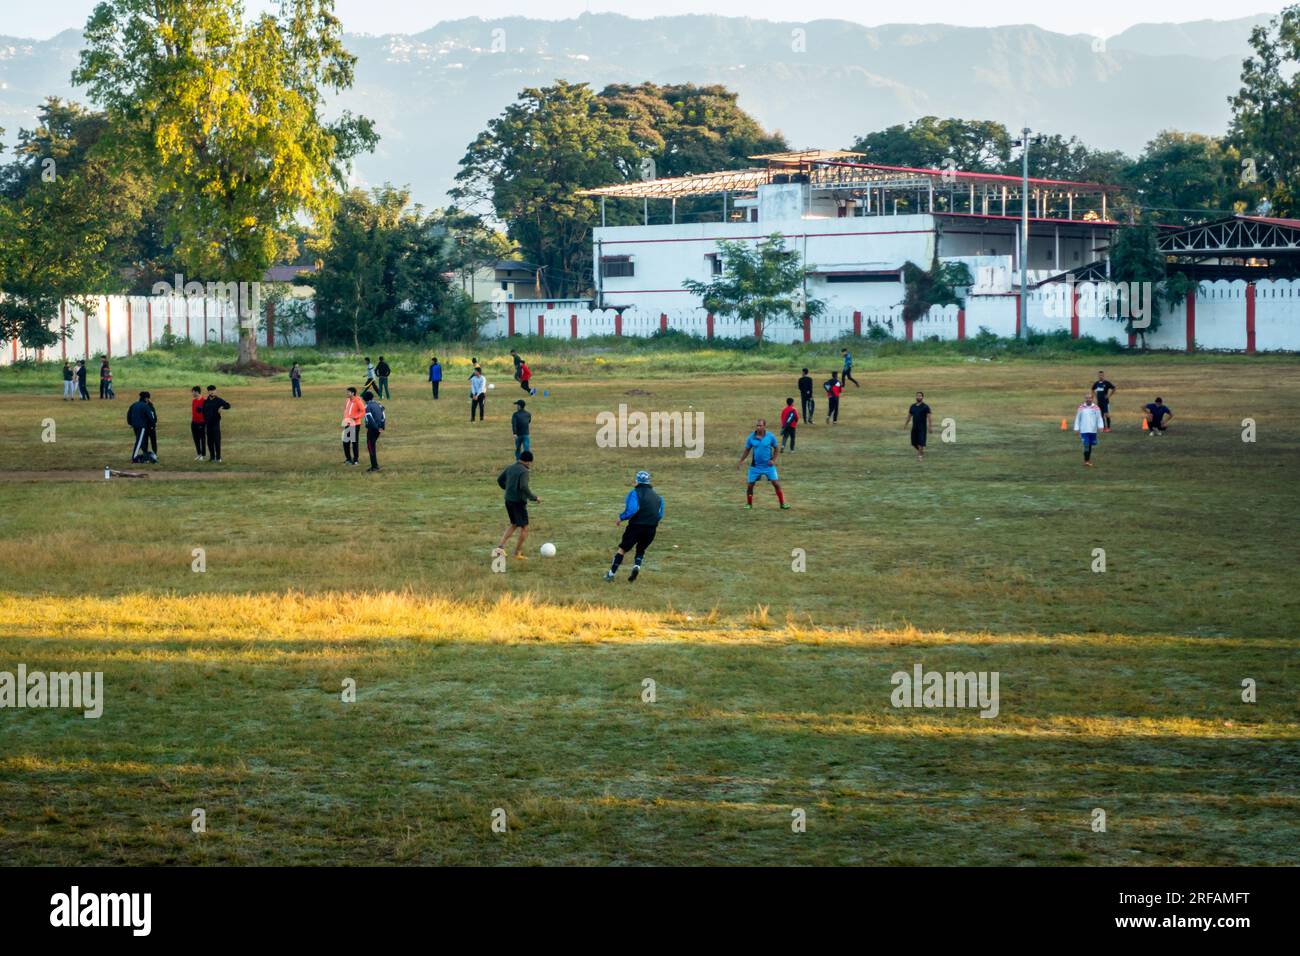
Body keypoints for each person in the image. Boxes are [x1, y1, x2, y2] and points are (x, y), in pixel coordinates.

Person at [605, 470, 663, 583]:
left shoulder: (634, 493)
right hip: (651, 529)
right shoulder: (658, 497)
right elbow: (660, 514)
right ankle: (636, 566)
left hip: (636, 527)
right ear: (649, 481)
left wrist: (621, 518)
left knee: (622, 549)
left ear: (637, 481)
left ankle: (610, 574)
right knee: (641, 549)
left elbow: (632, 509)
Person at [495, 450, 539, 560]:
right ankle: (517, 553)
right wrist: (534, 498)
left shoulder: (511, 467)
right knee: (524, 528)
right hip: (518, 502)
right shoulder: (524, 471)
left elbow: (500, 480)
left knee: (514, 524)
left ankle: (500, 548)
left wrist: (509, 489)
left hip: (508, 500)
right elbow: (524, 487)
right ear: (528, 461)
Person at [737, 418, 789, 509]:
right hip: (755, 467)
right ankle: (749, 504)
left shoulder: (770, 436)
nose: (758, 427)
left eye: (760, 425)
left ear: (764, 426)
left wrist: (773, 460)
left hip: (768, 466)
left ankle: (782, 503)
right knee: (750, 485)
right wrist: (741, 460)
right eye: (757, 425)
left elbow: (776, 449)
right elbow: (747, 450)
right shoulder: (751, 437)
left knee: (776, 483)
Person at [1074, 393, 1105, 467]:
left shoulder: (1096, 408)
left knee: (1090, 445)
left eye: (1090, 398)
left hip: (1093, 430)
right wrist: (1076, 428)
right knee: (1086, 445)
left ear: (1092, 399)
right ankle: (1086, 461)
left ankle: (1087, 460)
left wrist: (1101, 426)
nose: (1088, 399)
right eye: (1087, 398)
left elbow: (1099, 418)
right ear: (1085, 399)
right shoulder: (1081, 407)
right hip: (1084, 430)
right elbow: (1078, 418)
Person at [202, 385, 231, 463]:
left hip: (215, 424)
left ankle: (218, 458)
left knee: (217, 441)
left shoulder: (219, 400)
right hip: (208, 424)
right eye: (210, 391)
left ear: (215, 391)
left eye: (213, 390)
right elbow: (203, 412)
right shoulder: (206, 401)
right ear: (208, 392)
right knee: (209, 441)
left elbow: (228, 405)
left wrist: (222, 407)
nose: (212, 392)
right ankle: (212, 457)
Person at [127, 391, 156, 464]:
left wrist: (130, 423)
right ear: (146, 398)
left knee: (140, 441)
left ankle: (145, 455)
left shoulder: (134, 405)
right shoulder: (145, 406)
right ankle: (134, 457)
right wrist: (153, 425)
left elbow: (128, 414)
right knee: (139, 442)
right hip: (141, 426)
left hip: (134, 426)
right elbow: (150, 417)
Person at [363, 389, 386, 471]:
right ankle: (375, 465)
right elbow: (383, 416)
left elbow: (370, 419)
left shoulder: (367, 407)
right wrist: (382, 427)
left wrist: (375, 428)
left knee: (370, 447)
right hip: (378, 428)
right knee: (372, 446)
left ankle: (374, 466)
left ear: (365, 399)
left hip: (372, 429)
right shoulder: (378, 404)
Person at [906, 391, 933, 461]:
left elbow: (929, 417)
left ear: (922, 397)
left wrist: (930, 427)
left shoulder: (925, 407)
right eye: (917, 396)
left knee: (921, 442)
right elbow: (909, 416)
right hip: (914, 427)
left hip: (922, 428)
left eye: (920, 396)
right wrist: (905, 424)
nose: (918, 397)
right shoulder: (912, 406)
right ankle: (921, 451)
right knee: (914, 443)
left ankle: (920, 456)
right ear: (916, 397)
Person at [341, 386, 365, 465]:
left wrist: (356, 417)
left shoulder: (358, 401)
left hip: (355, 424)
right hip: (347, 423)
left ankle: (355, 460)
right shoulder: (347, 400)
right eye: (347, 392)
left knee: (354, 442)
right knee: (345, 442)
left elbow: (363, 412)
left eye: (348, 392)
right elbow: (346, 410)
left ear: (353, 393)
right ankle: (348, 459)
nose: (347, 393)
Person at [189, 386, 207, 460]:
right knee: (196, 439)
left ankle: (203, 455)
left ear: (196, 392)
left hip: (202, 423)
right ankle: (198, 454)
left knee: (202, 439)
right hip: (194, 423)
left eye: (193, 392)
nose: (192, 393)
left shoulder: (204, 401)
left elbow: (206, 413)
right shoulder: (193, 401)